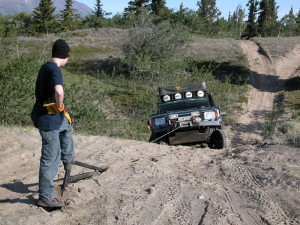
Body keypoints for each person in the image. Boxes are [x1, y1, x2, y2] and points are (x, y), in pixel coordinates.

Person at [31, 39, 74, 209]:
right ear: (66, 55)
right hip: (48, 120)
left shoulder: (45, 67)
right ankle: (45, 197)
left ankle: (68, 160)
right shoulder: (55, 70)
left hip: (51, 117)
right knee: (50, 158)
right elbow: (59, 91)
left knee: (67, 126)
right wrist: (59, 105)